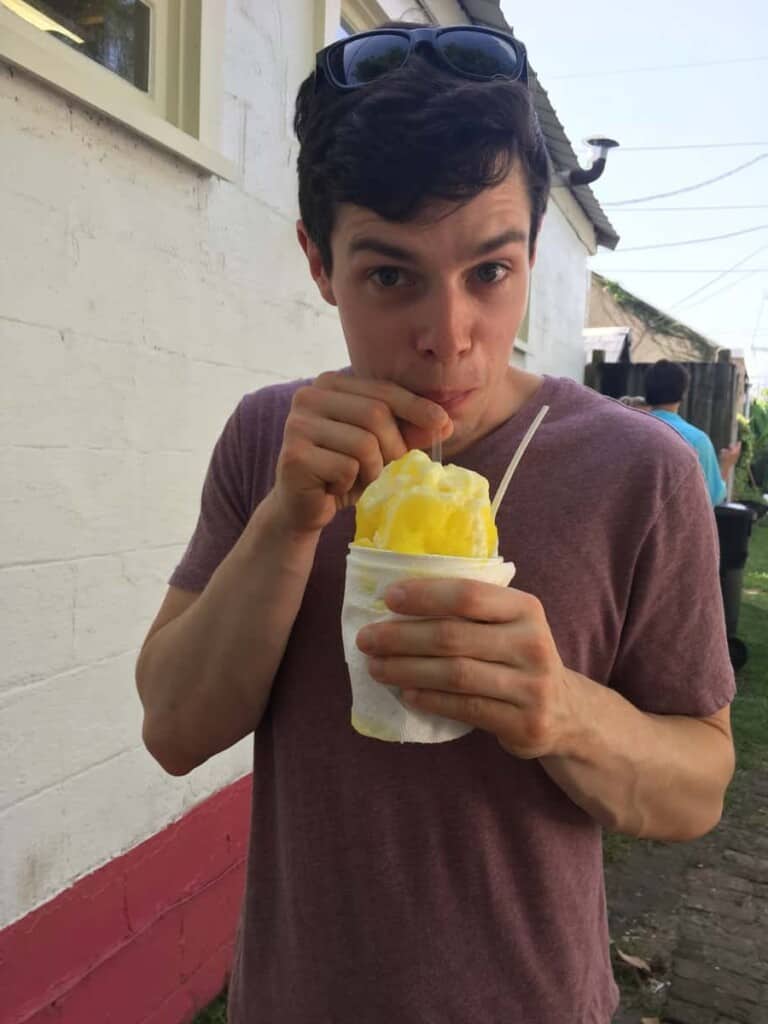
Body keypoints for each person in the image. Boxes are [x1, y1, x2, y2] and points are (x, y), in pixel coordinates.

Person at [135, 23, 736, 1024]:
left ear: (534, 254)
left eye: (490, 272)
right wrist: (289, 522)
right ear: (320, 264)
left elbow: (698, 791)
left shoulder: (642, 472)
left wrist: (560, 709)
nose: (449, 335)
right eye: (390, 275)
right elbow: (173, 728)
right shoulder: (269, 440)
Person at [644, 359, 741, 505]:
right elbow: (710, 499)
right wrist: (726, 465)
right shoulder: (697, 440)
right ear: (683, 393)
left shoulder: (627, 433)